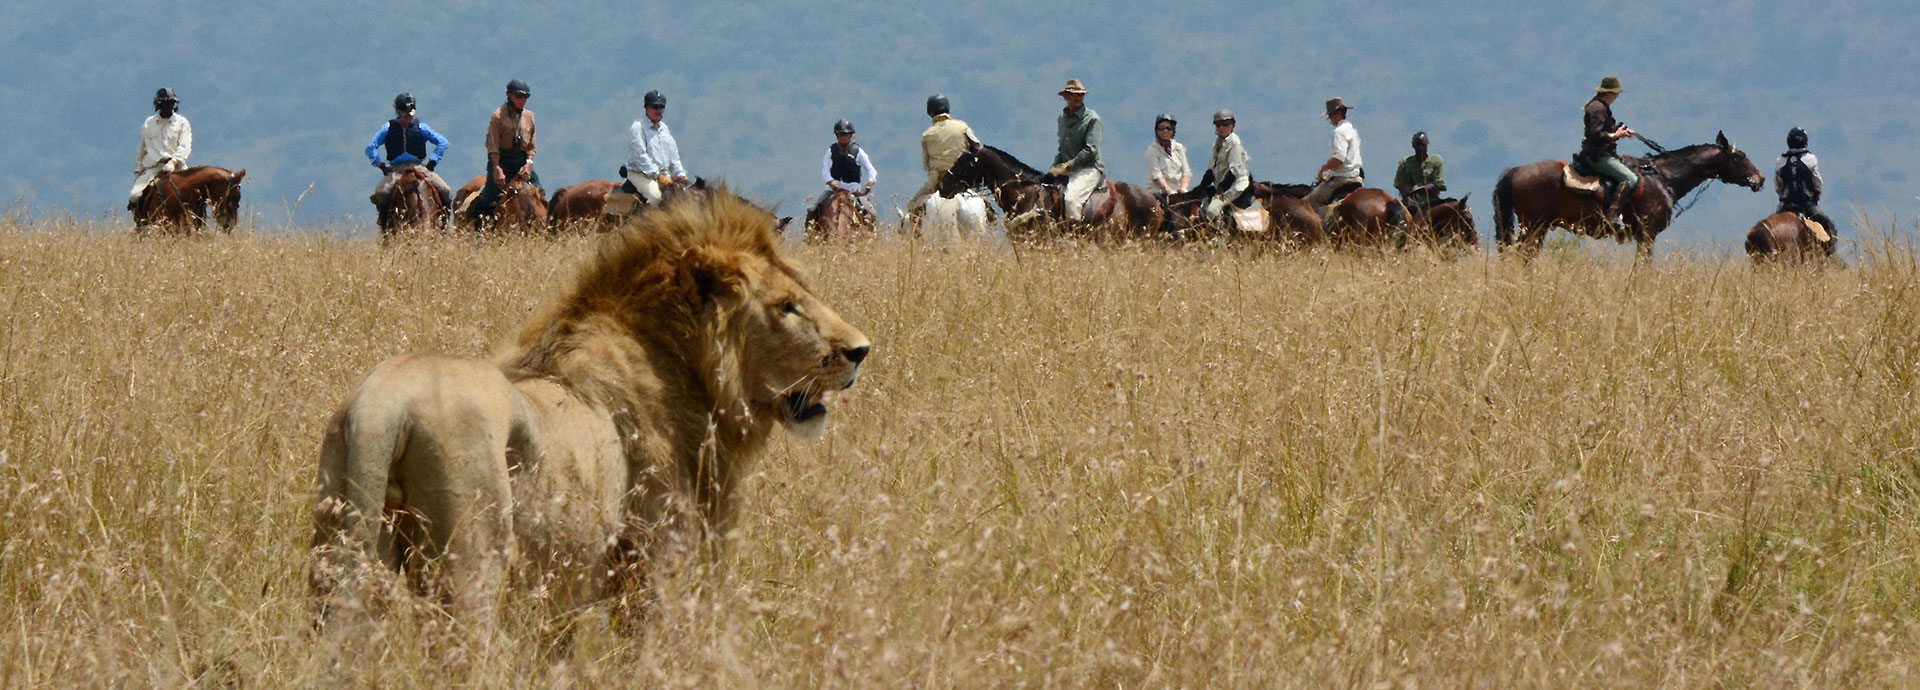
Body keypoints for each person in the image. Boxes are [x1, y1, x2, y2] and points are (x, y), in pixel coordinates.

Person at [366, 93, 453, 220]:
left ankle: (444, 221)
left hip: (418, 167)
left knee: (445, 191)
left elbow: (442, 142)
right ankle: (385, 224)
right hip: (396, 169)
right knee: (382, 193)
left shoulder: (422, 127)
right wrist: (380, 164)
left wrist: (433, 161)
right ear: (398, 112)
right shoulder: (388, 129)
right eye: (404, 113)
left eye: (410, 113)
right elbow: (371, 147)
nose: (408, 117)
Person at [467, 79, 539, 222]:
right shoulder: (498, 116)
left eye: (525, 97)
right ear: (509, 96)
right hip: (503, 160)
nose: (522, 100)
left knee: (538, 192)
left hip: (521, 160)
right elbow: (492, 144)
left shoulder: (529, 116)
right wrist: (497, 168)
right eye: (518, 96)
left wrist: (529, 164)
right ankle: (478, 224)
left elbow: (532, 145)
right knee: (490, 194)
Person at [907, 93, 980, 218]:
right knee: (985, 206)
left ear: (930, 112)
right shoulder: (963, 127)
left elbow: (927, 165)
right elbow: (977, 148)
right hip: (965, 180)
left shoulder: (927, 135)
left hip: (938, 181)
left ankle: (915, 234)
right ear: (948, 108)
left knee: (913, 206)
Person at [1580, 76, 1638, 230]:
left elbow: (1602, 131)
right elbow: (1595, 135)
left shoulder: (1600, 106)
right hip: (1598, 156)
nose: (1618, 96)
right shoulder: (1598, 108)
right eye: (1616, 92)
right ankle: (1612, 217)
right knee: (1631, 178)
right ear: (1610, 93)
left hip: (1601, 152)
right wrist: (1616, 135)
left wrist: (1619, 131)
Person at [1049, 79, 1104, 222]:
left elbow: (1090, 150)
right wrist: (1054, 166)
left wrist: (1067, 165)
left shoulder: (1092, 119)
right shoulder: (1062, 118)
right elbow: (1063, 147)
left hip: (1089, 169)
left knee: (1071, 200)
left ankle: (1074, 240)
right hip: (1068, 169)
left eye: (1081, 94)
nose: (1078, 97)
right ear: (1066, 97)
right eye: (1074, 94)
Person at [130, 88, 193, 212]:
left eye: (171, 103)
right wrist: (138, 169)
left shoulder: (182, 123)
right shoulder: (149, 123)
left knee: (194, 194)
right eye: (165, 103)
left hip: (178, 167)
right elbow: (143, 148)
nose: (168, 106)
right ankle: (141, 224)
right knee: (134, 196)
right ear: (159, 105)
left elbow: (185, 146)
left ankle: (198, 223)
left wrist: (173, 162)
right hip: (154, 167)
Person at [625, 90, 689, 205]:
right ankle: (646, 222)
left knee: (684, 196)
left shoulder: (664, 129)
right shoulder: (638, 127)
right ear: (646, 107)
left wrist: (681, 175)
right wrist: (657, 175)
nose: (659, 110)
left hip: (664, 176)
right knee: (655, 196)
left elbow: (674, 157)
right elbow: (640, 156)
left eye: (662, 107)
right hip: (640, 174)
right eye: (655, 107)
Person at [1303, 97, 1363, 213]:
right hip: (1356, 176)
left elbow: (1339, 158)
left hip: (1342, 178)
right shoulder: (1352, 130)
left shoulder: (1339, 131)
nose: (1330, 119)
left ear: (1338, 113)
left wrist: (1324, 169)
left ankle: (1322, 227)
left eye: (1330, 115)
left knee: (1306, 204)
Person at [1776, 127, 1837, 238]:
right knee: (1829, 225)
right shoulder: (1811, 159)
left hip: (1785, 204)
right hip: (1806, 204)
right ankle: (1829, 253)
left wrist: (1783, 196)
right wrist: (1816, 196)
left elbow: (1778, 186)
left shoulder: (1780, 161)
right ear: (1804, 141)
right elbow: (1817, 182)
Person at [809, 119, 878, 219]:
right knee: (812, 210)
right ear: (837, 136)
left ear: (850, 135)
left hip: (853, 190)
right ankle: (809, 232)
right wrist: (831, 182)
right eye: (841, 134)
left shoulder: (858, 152)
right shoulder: (831, 151)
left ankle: (872, 233)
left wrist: (870, 182)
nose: (843, 137)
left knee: (871, 213)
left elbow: (871, 170)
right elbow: (825, 170)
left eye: (846, 134)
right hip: (833, 190)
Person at [1201, 110, 1251, 223]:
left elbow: (1233, 172)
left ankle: (1220, 235)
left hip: (1235, 186)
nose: (1222, 128)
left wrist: (1221, 189)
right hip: (1221, 185)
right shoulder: (1217, 143)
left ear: (1233, 126)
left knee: (1212, 210)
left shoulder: (1235, 144)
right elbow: (1212, 168)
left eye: (1226, 125)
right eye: (1218, 125)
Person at [1393, 131, 1446, 211]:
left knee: (1455, 206)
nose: (1420, 148)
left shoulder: (1436, 160)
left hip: (1433, 202)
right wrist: (1408, 197)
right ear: (1413, 146)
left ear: (1427, 145)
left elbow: (1438, 185)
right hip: (1412, 204)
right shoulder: (1405, 162)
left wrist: (1418, 189)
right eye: (1418, 144)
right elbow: (1400, 185)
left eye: (1423, 145)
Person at [1145, 114, 1191, 200]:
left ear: (1173, 131)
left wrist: (1184, 188)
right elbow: (1156, 175)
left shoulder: (1179, 148)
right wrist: (1168, 190)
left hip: (1177, 192)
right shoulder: (1151, 150)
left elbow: (1186, 171)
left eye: (1168, 128)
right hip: (1158, 192)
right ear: (1157, 131)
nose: (1165, 131)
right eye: (1162, 128)